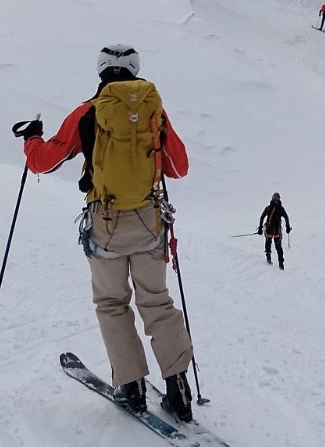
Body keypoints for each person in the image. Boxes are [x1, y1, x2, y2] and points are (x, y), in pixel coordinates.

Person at [17, 42, 195, 422]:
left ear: (101, 71)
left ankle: (130, 387)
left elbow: (43, 163)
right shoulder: (153, 111)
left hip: (107, 224)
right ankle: (179, 388)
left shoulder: (88, 113)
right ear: (135, 70)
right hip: (150, 220)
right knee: (157, 302)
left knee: (112, 303)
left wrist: (32, 138)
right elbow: (179, 167)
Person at [258, 192, 292, 268]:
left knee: (268, 243)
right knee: (278, 247)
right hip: (277, 230)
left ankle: (268, 258)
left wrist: (260, 227)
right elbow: (286, 217)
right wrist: (287, 227)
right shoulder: (281, 208)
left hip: (269, 229)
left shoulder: (268, 208)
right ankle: (281, 264)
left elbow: (262, 217)